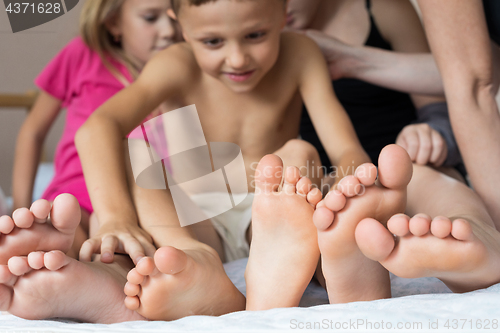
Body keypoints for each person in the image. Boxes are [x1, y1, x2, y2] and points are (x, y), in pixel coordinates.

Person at [74, 0, 376, 317]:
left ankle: (313, 260)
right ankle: (192, 261)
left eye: (256, 35)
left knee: (301, 153)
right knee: (129, 162)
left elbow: (346, 150)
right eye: (213, 42)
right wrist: (115, 217)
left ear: (283, 12)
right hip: (197, 224)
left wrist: (341, 199)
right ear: (182, 27)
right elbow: (97, 128)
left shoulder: (301, 53)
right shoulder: (174, 63)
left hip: (272, 215)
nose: (237, 58)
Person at [7, 0, 179, 263]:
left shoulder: (182, 75)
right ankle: (45, 262)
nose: (168, 30)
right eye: (150, 17)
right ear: (113, 22)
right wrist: (20, 205)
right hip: (72, 192)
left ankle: (94, 278)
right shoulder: (82, 55)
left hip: (139, 201)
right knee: (59, 229)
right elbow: (33, 133)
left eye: (175, 16)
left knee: (111, 248)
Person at [287, 0, 463, 172]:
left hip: (408, 166)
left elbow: (442, 108)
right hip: (334, 181)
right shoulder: (270, 45)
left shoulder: (385, 10)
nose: (281, 7)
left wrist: (429, 136)